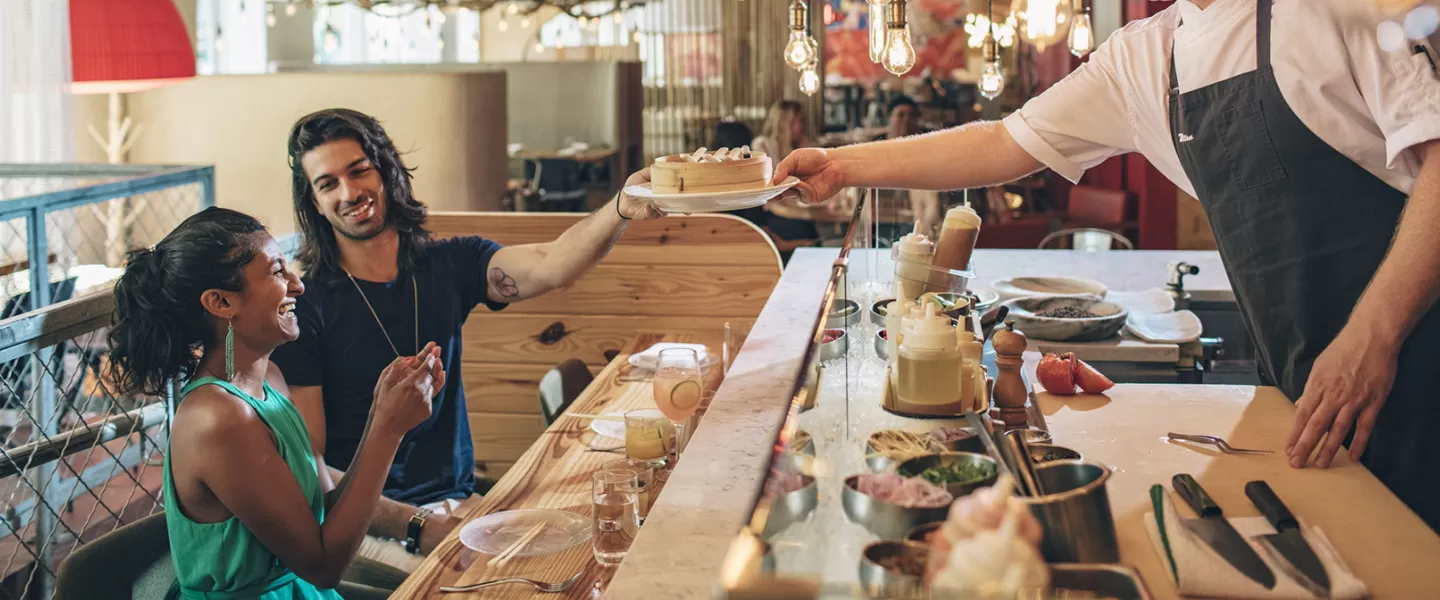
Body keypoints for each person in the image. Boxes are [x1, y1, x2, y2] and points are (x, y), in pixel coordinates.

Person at [774, 0, 1440, 529]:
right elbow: (1002, 141)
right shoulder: (1145, 56)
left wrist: (1372, 337)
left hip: (1414, 362)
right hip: (1298, 383)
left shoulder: (1339, 10)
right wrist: (842, 166)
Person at [269, 108, 665, 572]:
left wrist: (620, 208)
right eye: (328, 184)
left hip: (460, 502)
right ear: (315, 203)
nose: (349, 193)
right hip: (375, 526)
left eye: (359, 171)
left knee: (591, 557)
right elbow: (312, 469)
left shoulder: (448, 263)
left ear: (385, 170)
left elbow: (552, 265)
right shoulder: (305, 306)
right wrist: (419, 525)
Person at [106, 207, 438, 599]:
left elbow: (328, 502)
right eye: (278, 271)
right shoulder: (218, 419)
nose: (297, 285)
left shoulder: (272, 379)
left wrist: (381, 411)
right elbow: (324, 565)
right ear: (221, 302)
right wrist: (388, 430)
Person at [752, 100, 822, 250]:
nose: (801, 126)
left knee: (814, 231)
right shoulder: (762, 145)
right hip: (775, 213)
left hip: (797, 210)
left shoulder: (797, 144)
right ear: (783, 123)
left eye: (802, 121)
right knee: (810, 233)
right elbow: (776, 183)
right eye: (797, 121)